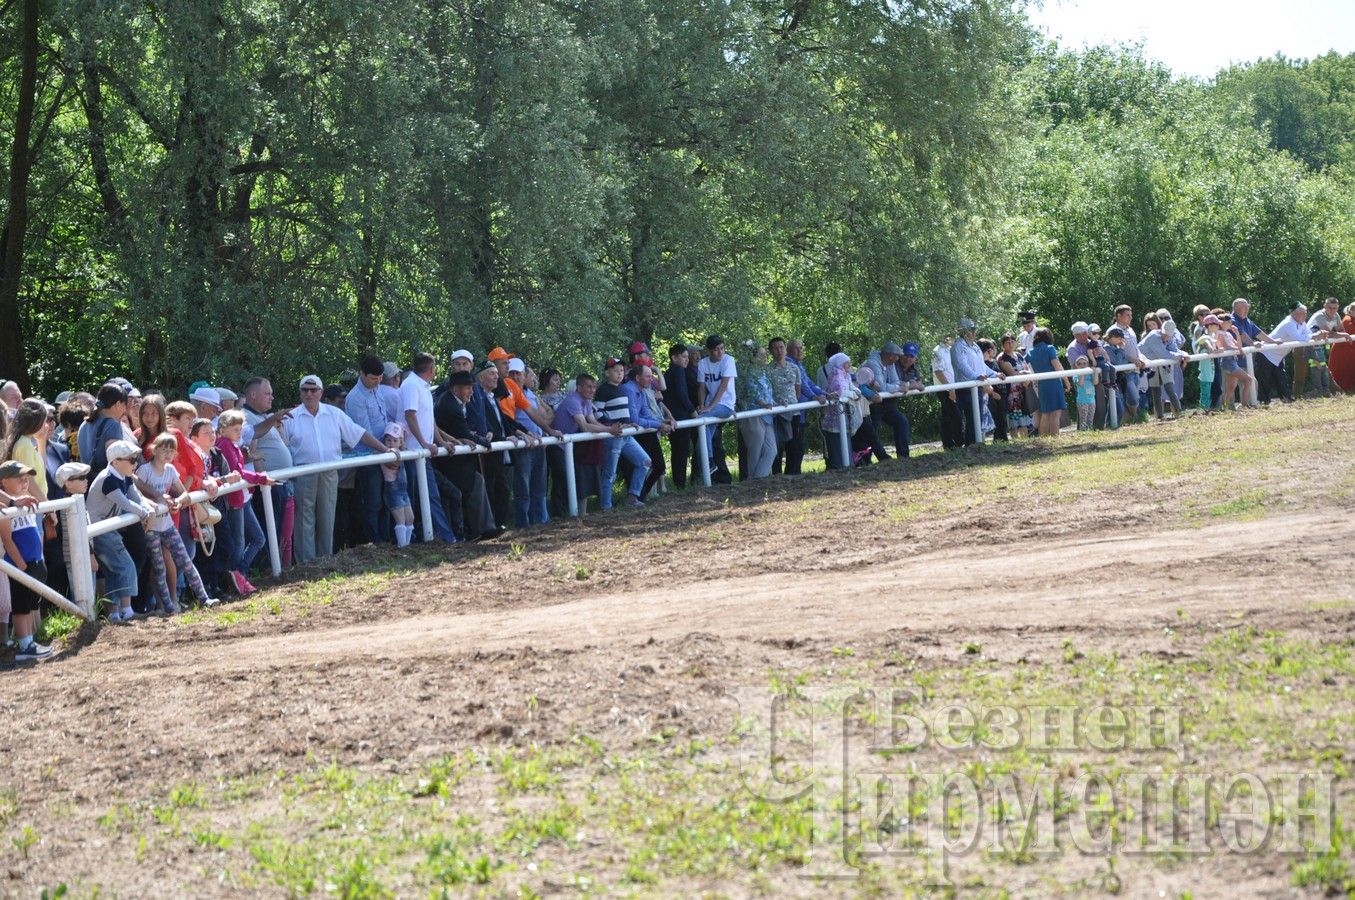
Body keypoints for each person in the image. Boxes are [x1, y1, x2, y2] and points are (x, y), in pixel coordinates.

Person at [286, 374, 395, 563]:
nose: (309, 394)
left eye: (313, 390)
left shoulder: (334, 414)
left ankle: (325, 561)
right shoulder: (290, 418)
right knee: (304, 520)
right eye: (305, 390)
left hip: (329, 473)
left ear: (321, 392)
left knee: (327, 518)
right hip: (303, 474)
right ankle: (306, 564)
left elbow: (359, 433)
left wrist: (385, 449)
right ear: (300, 392)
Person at [134, 433, 217, 612]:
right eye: (164, 450)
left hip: (167, 525)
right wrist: (159, 499)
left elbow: (182, 492)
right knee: (159, 567)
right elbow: (137, 492)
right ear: (154, 450)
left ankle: (204, 598)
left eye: (171, 451)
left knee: (186, 561)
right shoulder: (145, 471)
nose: (168, 454)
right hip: (152, 528)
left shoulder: (170, 470)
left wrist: (179, 501)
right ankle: (169, 606)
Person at [86, 440, 156, 622]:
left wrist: (146, 509)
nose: (135, 463)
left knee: (114, 571)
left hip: (107, 530)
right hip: (101, 532)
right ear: (116, 462)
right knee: (126, 566)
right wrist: (144, 512)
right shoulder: (108, 479)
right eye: (131, 459)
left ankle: (115, 613)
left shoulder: (123, 476)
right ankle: (126, 611)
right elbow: (124, 502)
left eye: (135, 459)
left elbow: (135, 497)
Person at [400, 353, 460, 543]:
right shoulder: (411, 385)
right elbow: (410, 415)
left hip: (422, 451)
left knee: (425, 496)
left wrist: (440, 441)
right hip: (414, 452)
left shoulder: (421, 387)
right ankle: (444, 537)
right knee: (427, 496)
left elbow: (428, 419)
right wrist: (425, 443)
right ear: (431, 368)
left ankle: (432, 537)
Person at [431, 371, 498, 540]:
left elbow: (463, 432)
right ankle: (481, 530)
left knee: (475, 485)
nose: (471, 392)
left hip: (457, 462)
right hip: (452, 464)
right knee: (474, 485)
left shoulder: (452, 402)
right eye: (468, 388)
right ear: (455, 388)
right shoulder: (450, 406)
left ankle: (480, 529)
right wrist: (484, 440)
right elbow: (463, 431)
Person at [214, 410, 273, 593]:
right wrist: (260, 478)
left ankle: (238, 575)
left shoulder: (229, 444)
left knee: (256, 539)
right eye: (235, 429)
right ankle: (236, 576)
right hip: (236, 499)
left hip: (241, 497)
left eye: (240, 429)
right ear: (223, 430)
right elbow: (236, 473)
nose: (239, 432)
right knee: (243, 542)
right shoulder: (225, 444)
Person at [0, 460, 53, 659]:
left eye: (26, 478)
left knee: (31, 604)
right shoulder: (5, 509)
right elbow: (8, 541)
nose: (24, 482)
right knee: (21, 606)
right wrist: (21, 567)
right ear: (4, 482)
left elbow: (35, 534)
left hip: (34, 562)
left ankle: (30, 640)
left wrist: (39, 561)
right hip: (21, 566)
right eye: (18, 478)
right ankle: (24, 644)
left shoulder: (28, 501)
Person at [547, 373, 621, 512]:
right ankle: (558, 515)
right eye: (589, 387)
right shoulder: (573, 401)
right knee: (562, 479)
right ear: (579, 388)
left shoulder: (586, 401)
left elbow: (592, 421)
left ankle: (568, 513)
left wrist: (609, 428)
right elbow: (585, 426)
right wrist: (610, 429)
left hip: (567, 445)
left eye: (594, 387)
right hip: (556, 445)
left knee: (568, 478)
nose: (592, 390)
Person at [241, 377, 295, 566]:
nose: (272, 397)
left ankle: (275, 568)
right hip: (267, 487)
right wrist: (263, 482)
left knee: (279, 532)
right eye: (267, 393)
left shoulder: (263, 417)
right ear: (253, 395)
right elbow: (252, 444)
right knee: (267, 531)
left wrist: (272, 419)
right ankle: (266, 571)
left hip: (279, 484)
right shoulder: (245, 417)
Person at [345, 356, 396, 544]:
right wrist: (385, 450)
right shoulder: (355, 398)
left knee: (386, 500)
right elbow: (364, 433)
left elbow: (385, 419)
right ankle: (374, 542)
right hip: (369, 457)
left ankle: (386, 540)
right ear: (363, 375)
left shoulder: (377, 390)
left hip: (385, 452)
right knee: (373, 502)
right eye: (374, 378)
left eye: (380, 378)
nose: (378, 382)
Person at [504, 358, 560, 525]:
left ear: (524, 375)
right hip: (523, 445)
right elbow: (508, 420)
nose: (515, 376)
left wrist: (548, 431)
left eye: (518, 373)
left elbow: (539, 414)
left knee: (540, 487)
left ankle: (541, 522)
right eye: (511, 373)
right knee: (523, 489)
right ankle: (524, 525)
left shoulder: (528, 394)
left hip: (537, 442)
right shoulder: (506, 393)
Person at [593, 357, 652, 508]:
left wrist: (628, 423)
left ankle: (633, 497)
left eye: (621, 370)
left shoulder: (622, 389)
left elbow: (624, 412)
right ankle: (606, 506)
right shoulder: (602, 390)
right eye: (615, 370)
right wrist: (612, 425)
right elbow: (597, 413)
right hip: (613, 436)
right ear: (607, 373)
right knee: (610, 472)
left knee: (645, 461)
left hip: (626, 435)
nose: (619, 373)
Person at [776, 339, 828, 475]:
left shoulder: (799, 365)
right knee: (793, 446)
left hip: (799, 413)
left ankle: (793, 474)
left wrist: (825, 394)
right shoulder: (789, 365)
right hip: (790, 412)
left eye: (801, 348)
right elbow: (803, 386)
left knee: (798, 447)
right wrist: (814, 397)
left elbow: (808, 382)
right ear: (789, 350)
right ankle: (789, 476)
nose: (800, 351)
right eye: (796, 348)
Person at [1264, 303, 1327, 403]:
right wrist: (1315, 336)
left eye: (1305, 313)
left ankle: (1287, 400)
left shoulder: (1302, 323)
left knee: (1281, 379)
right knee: (1265, 380)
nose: (1305, 316)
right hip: (1266, 354)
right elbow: (1299, 338)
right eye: (1302, 313)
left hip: (1278, 356)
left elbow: (1309, 335)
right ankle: (1264, 402)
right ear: (1294, 314)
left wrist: (1317, 335)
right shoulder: (1289, 323)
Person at [696, 335, 737, 483]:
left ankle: (710, 461)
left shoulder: (729, 360)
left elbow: (724, 385)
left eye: (722, 348)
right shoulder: (702, 363)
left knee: (700, 421)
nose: (720, 352)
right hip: (709, 406)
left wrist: (710, 406)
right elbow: (701, 387)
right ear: (709, 351)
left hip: (725, 405)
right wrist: (702, 405)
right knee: (701, 438)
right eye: (716, 350)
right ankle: (708, 478)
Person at [861, 342, 911, 458]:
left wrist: (895, 386)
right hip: (872, 404)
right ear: (890, 356)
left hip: (886, 403)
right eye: (897, 356)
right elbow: (882, 387)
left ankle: (903, 455)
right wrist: (898, 387)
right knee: (872, 432)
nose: (898, 359)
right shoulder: (872, 363)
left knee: (901, 422)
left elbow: (895, 381)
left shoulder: (890, 363)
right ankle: (865, 459)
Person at [1231, 298, 1285, 404]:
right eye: (1244, 308)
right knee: (1230, 386)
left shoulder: (1247, 320)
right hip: (1233, 361)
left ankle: (1248, 406)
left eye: (1248, 307)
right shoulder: (1232, 320)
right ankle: (1228, 410)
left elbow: (1258, 333)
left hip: (1245, 360)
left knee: (1250, 383)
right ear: (1236, 308)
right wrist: (1253, 343)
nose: (1247, 310)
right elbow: (1243, 336)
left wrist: (1273, 341)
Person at [735, 346, 777, 479]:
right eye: (761, 355)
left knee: (771, 451)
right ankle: (754, 483)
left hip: (767, 415)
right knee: (755, 451)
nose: (765, 358)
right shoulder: (747, 371)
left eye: (765, 355)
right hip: (752, 414)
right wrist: (763, 404)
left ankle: (758, 480)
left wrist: (775, 403)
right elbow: (751, 390)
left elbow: (767, 393)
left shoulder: (763, 373)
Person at [950, 319, 990, 447]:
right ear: (964, 332)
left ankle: (974, 444)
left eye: (974, 329)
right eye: (971, 329)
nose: (974, 332)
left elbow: (981, 365)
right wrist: (976, 377)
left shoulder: (975, 346)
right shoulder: (957, 346)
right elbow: (961, 365)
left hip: (976, 386)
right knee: (972, 417)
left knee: (976, 417)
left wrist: (994, 374)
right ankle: (970, 445)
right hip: (966, 387)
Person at [662, 345, 697, 489]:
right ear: (674, 358)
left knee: (677, 450)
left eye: (687, 357)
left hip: (672, 416)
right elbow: (682, 393)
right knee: (681, 451)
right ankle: (680, 484)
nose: (687, 360)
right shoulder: (678, 371)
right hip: (680, 416)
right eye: (684, 357)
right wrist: (691, 410)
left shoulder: (668, 373)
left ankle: (679, 482)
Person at [820, 352, 861, 469]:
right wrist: (853, 394)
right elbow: (841, 393)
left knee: (845, 437)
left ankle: (848, 464)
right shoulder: (836, 376)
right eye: (847, 363)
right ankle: (840, 465)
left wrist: (857, 391)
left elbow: (850, 387)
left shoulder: (846, 375)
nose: (849, 365)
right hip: (836, 416)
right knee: (837, 440)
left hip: (844, 414)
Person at [378, 423, 416, 546]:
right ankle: (402, 546)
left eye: (395, 440)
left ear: (400, 442)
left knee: (410, 518)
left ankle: (407, 544)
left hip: (403, 490)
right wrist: (392, 450)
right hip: (392, 489)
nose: (391, 443)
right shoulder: (385, 454)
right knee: (401, 519)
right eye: (388, 440)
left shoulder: (402, 452)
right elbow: (390, 457)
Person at [1026, 328, 1068, 437]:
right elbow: (1057, 366)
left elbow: (1028, 369)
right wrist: (1067, 382)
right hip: (1054, 384)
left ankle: (1043, 439)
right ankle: (1055, 438)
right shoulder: (1050, 348)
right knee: (1055, 414)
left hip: (1041, 385)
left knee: (1045, 414)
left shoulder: (1029, 353)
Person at [1110, 305, 1147, 422]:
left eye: (1131, 315)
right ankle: (1134, 418)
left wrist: (1141, 358)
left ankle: (1132, 418)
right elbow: (1116, 352)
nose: (1131, 317)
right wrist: (1133, 360)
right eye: (1128, 315)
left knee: (1135, 397)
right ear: (1118, 316)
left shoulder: (1130, 329)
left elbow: (1135, 348)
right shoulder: (1113, 331)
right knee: (1133, 397)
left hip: (1135, 368)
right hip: (1125, 370)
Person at [997, 334, 1033, 438]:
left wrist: (1027, 377)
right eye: (1007, 342)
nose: (1010, 344)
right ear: (1003, 345)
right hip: (1012, 393)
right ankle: (1016, 440)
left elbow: (1028, 368)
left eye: (1012, 341)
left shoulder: (1019, 355)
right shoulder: (1002, 358)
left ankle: (1025, 438)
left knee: (1025, 414)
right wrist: (1025, 374)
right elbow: (1012, 373)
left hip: (1024, 389)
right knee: (1015, 418)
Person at [931, 336, 962, 449]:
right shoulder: (938, 351)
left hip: (953, 387)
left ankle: (949, 444)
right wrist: (949, 389)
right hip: (945, 389)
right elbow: (938, 372)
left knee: (947, 417)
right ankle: (958, 443)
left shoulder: (950, 349)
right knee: (955, 416)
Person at [1194, 316, 1219, 412]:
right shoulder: (1204, 337)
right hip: (1205, 372)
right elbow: (1210, 348)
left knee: (1207, 392)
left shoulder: (1210, 337)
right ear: (1210, 325)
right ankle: (1204, 410)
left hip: (1209, 371)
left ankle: (1205, 410)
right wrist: (1216, 350)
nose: (1218, 326)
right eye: (1216, 324)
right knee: (1205, 392)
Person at [1069, 355, 1098, 430]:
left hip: (1092, 400)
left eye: (1084, 363)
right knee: (1083, 419)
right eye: (1079, 364)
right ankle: (1083, 432)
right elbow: (1080, 383)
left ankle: (1090, 432)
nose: (1082, 365)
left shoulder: (1090, 373)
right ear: (1076, 365)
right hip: (1082, 401)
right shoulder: (1076, 375)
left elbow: (1095, 382)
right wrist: (1082, 373)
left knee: (1090, 418)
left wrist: (1095, 373)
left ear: (1088, 364)